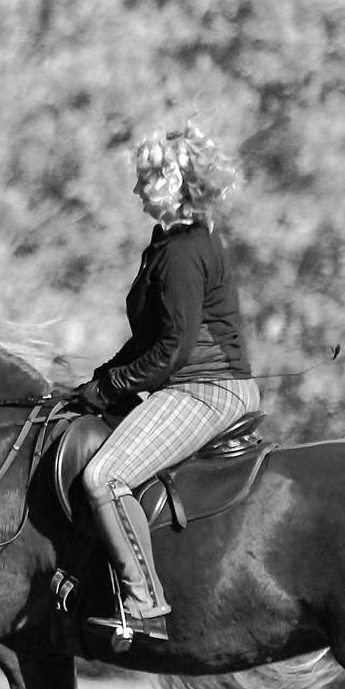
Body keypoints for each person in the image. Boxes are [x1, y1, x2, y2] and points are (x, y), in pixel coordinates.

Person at [73, 125, 257, 641]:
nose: (136, 192)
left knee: (103, 476)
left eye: (144, 181)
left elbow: (169, 352)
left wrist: (109, 389)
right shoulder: (166, 244)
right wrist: (98, 383)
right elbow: (150, 340)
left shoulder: (181, 254)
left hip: (206, 391)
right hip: (186, 383)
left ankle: (145, 601)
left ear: (173, 183)